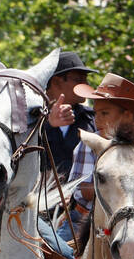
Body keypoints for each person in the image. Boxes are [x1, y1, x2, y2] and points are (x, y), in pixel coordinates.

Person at [62, 72, 134, 259]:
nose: (97, 120)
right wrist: (120, 192)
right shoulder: (88, 145)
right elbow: (79, 189)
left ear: (128, 115)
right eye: (96, 113)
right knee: (56, 256)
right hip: (81, 222)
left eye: (104, 113)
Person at [40, 50, 98, 183]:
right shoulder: (30, 119)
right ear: (56, 82)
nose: (87, 85)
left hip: (80, 201)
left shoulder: (93, 119)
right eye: (79, 80)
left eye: (86, 80)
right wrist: (48, 125)